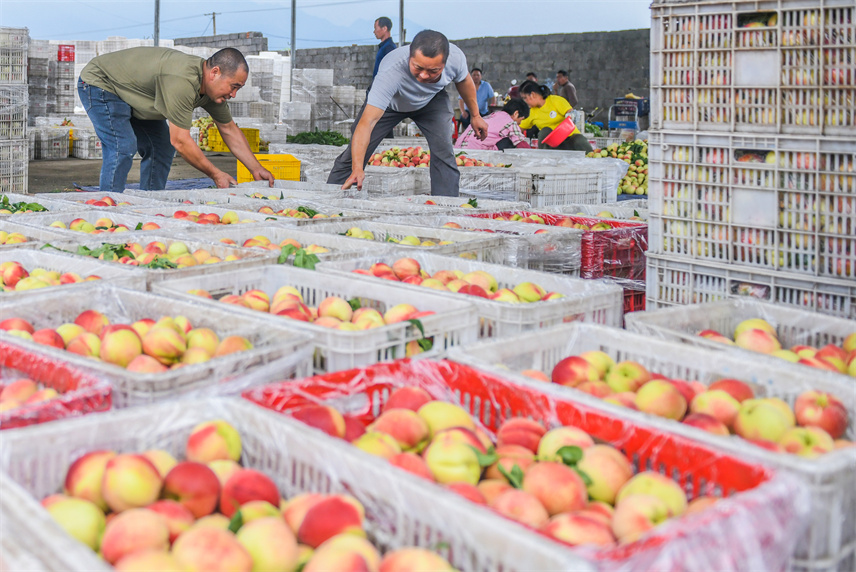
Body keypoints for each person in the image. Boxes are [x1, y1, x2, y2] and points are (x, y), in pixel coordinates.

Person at [78, 47, 273, 192]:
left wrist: (256, 168)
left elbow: (229, 129)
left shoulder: (213, 90)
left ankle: (150, 202)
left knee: (161, 147)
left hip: (136, 93)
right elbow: (180, 140)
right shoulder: (182, 81)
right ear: (215, 72)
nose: (234, 94)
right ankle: (106, 210)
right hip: (101, 83)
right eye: (234, 86)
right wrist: (215, 174)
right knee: (122, 146)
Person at [327, 30, 488, 197]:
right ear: (410, 56)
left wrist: (476, 116)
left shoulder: (456, 58)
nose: (424, 75)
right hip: (391, 104)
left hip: (431, 100)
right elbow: (366, 123)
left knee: (444, 152)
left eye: (433, 71)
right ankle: (331, 201)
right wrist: (357, 168)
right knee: (353, 156)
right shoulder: (391, 70)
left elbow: (464, 81)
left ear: (445, 63)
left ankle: (445, 207)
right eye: (417, 68)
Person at [518, 80, 592, 152]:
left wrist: (571, 115)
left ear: (532, 95)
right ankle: (545, 159)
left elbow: (572, 113)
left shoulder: (555, 101)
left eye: (525, 98)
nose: (524, 101)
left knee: (579, 139)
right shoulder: (531, 112)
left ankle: (591, 158)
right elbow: (519, 129)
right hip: (551, 147)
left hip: (569, 140)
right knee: (545, 131)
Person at [455, 99, 531, 151]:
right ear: (516, 114)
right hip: (477, 153)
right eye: (521, 120)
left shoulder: (491, 116)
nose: (520, 123)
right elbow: (522, 144)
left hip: (458, 149)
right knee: (510, 141)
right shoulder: (510, 122)